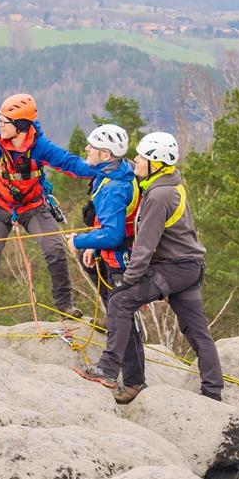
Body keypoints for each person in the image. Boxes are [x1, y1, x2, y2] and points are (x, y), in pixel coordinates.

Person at [74, 131, 225, 401]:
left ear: (155, 163)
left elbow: (144, 247)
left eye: (141, 157)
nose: (136, 161)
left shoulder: (158, 197)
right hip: (189, 267)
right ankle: (213, 391)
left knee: (120, 301)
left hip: (173, 268)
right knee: (196, 330)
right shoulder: (167, 184)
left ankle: (107, 370)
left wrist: (130, 281)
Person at [0, 93, 100, 340]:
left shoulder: (40, 146)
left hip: (33, 206)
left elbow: (70, 164)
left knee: (55, 250)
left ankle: (65, 306)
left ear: (19, 127)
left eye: (3, 121)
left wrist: (103, 167)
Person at [69, 124, 145, 404]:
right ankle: (133, 377)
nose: (86, 149)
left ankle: (134, 381)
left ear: (104, 153)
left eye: (91, 147)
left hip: (121, 259)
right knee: (119, 312)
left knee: (123, 316)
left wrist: (79, 240)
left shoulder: (113, 187)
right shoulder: (119, 171)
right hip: (118, 254)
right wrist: (91, 245)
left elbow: (112, 234)